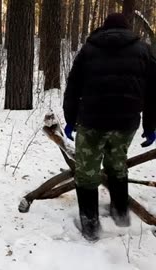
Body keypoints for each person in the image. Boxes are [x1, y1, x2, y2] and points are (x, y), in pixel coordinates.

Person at [63, 13, 156, 241]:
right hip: (126, 123)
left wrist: (69, 119)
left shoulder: (88, 50)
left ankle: (91, 227)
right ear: (127, 29)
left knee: (86, 173)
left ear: (103, 28)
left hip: (92, 122)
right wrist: (150, 125)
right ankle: (121, 214)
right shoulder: (143, 51)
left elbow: (72, 87)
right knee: (117, 165)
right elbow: (153, 92)